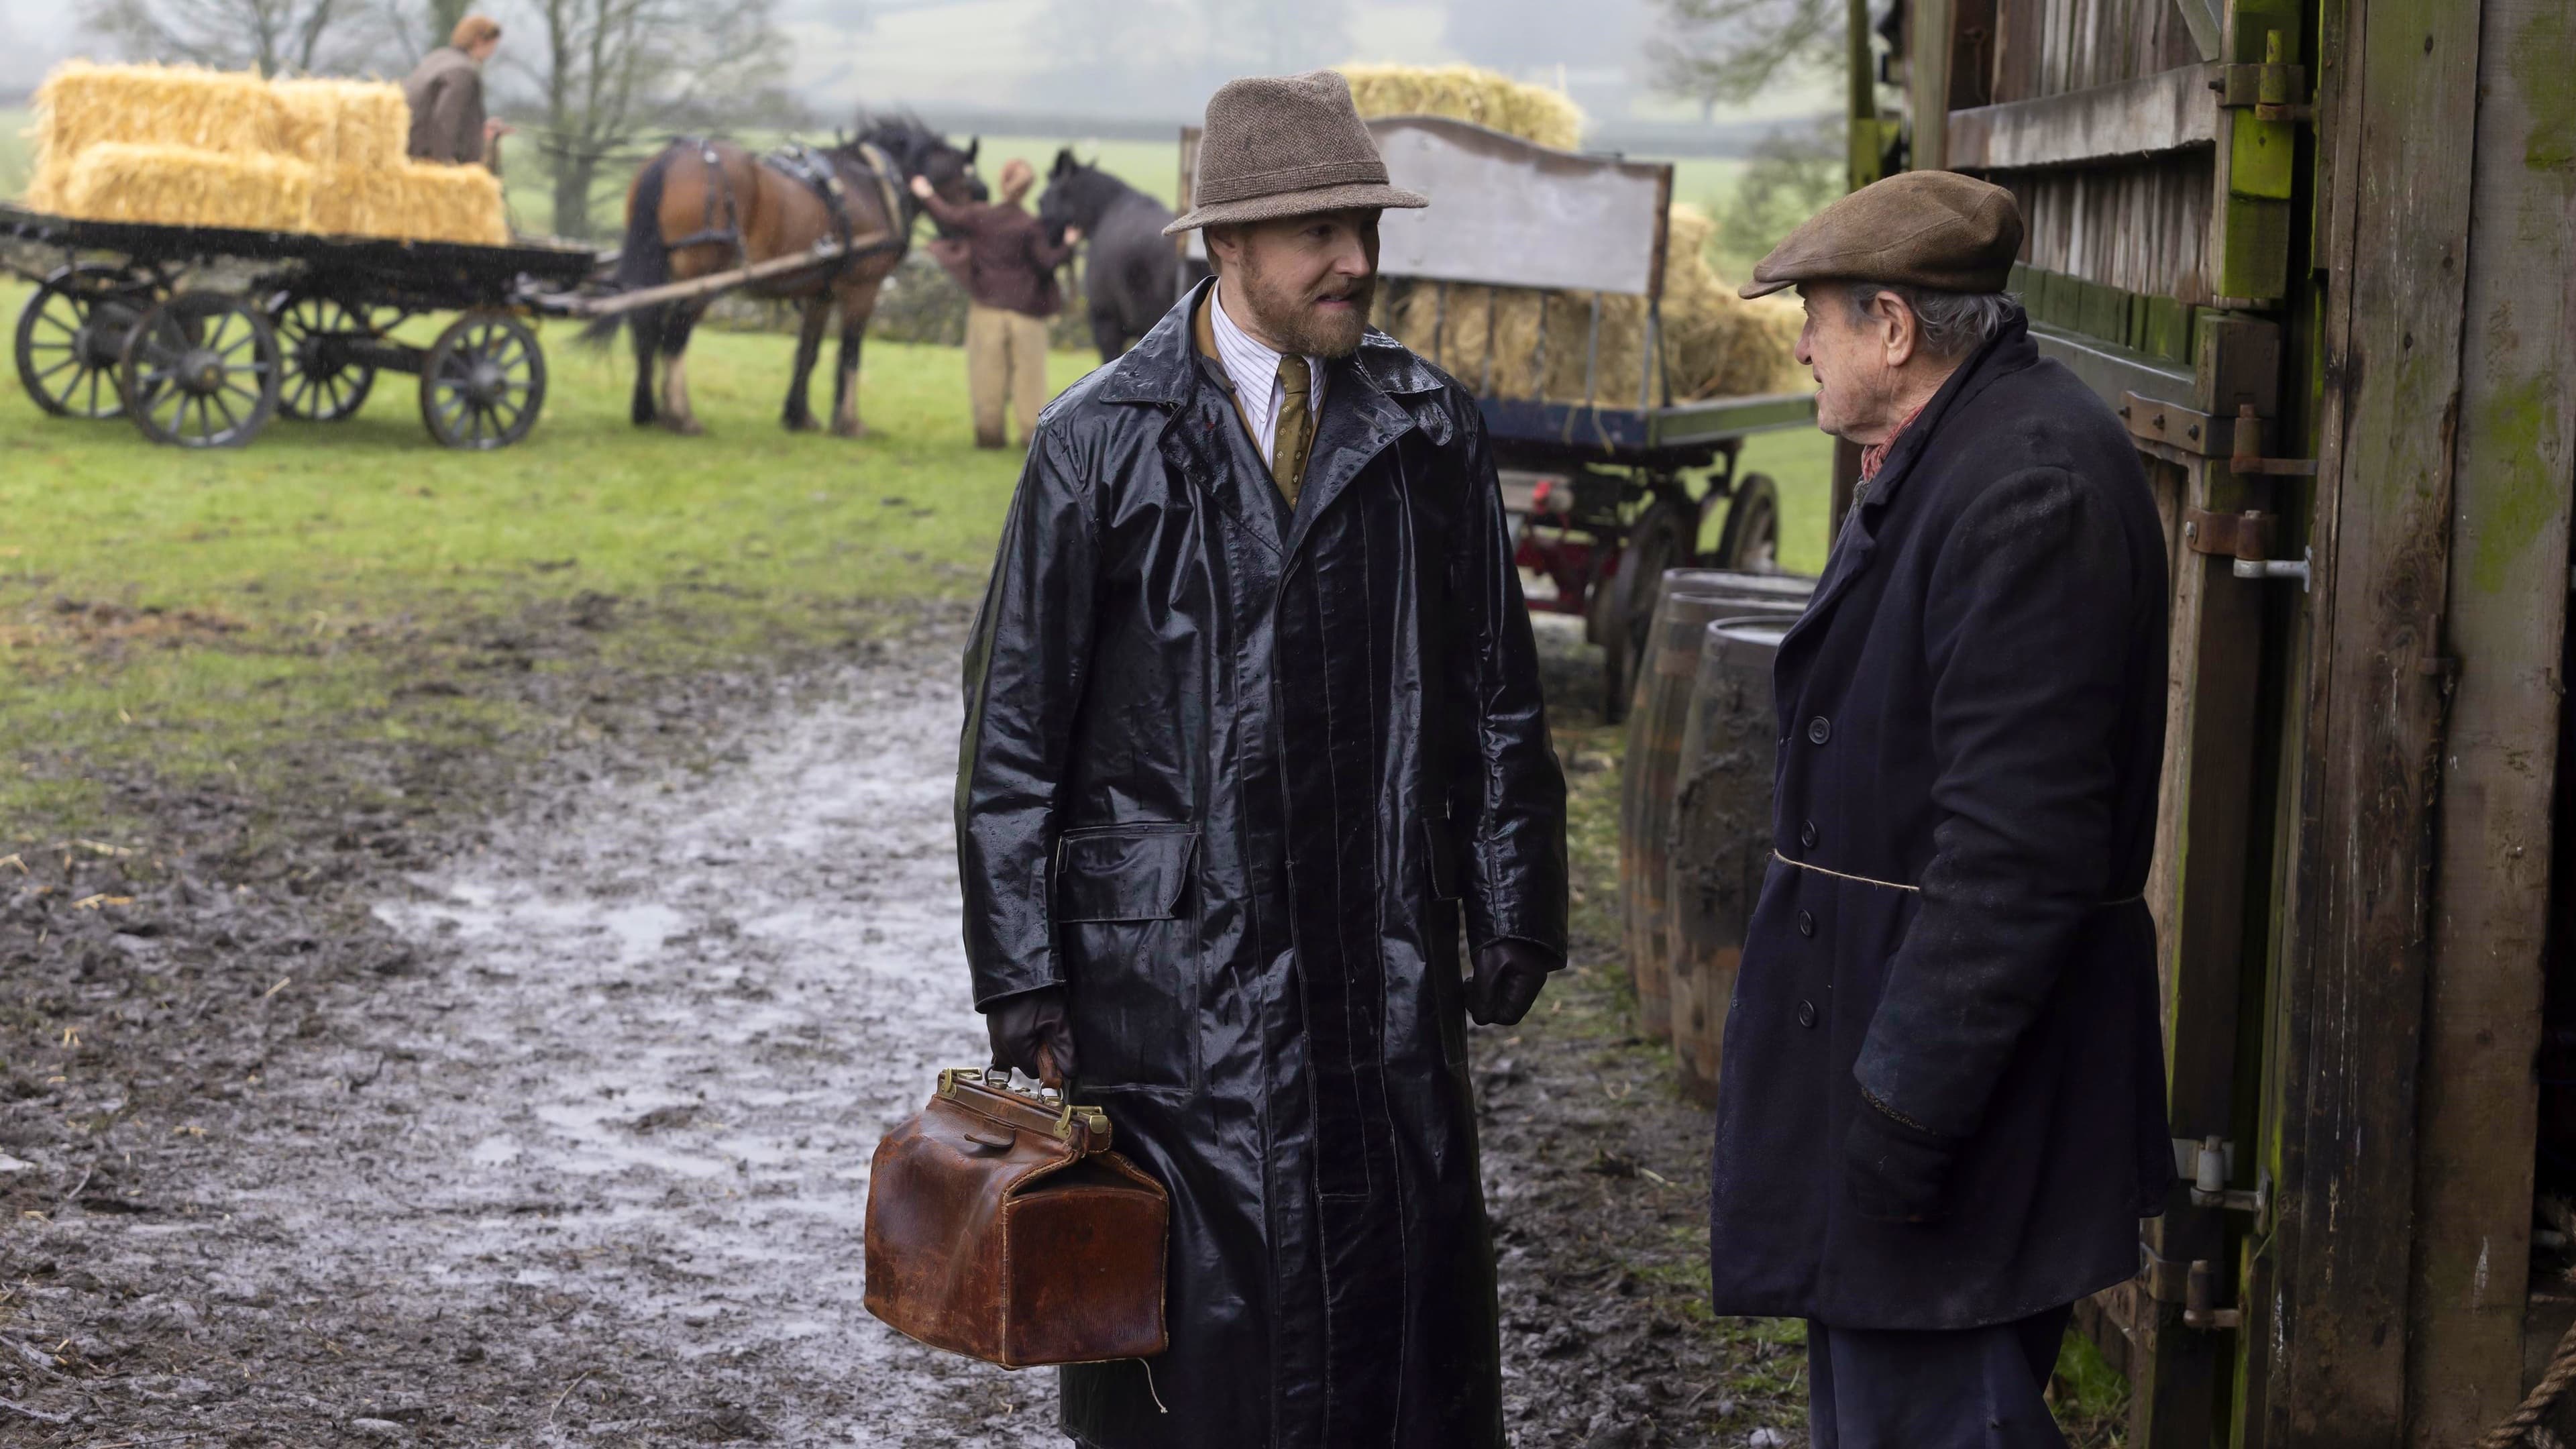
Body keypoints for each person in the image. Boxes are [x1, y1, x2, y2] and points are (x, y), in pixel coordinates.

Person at [954, 70, 1568, 1449]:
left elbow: (1496, 685)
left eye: (1366, 226)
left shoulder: (1427, 426)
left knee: (1397, 1323)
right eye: (1318, 233)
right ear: (1226, 242)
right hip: (1170, 985)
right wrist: (1024, 971)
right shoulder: (1095, 440)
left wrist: (1516, 893)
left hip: (1381, 952)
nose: (1356, 260)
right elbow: (1013, 734)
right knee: (1196, 1340)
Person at [1702, 169, 2175, 1446]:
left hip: (1960, 1100)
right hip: (1905, 1069)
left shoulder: (2029, 489)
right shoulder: (1952, 452)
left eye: (1815, 316)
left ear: (1895, 328)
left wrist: (1903, 1111)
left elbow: (2016, 857)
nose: (1802, 345)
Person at [910, 159, 1077, 449]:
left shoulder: (980, 216)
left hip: (986, 309)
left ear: (1002, 182)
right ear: (1027, 189)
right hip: (1026, 314)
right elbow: (1047, 262)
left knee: (987, 375)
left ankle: (989, 435)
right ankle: (1030, 436)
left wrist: (926, 193)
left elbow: (947, 216)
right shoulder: (1030, 225)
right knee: (1030, 378)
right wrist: (1070, 243)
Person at [402, 15, 510, 168]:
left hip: (409, 151)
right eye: (493, 45)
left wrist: (479, 128)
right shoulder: (462, 71)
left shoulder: (437, 58)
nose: (493, 52)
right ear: (479, 40)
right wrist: (446, 167)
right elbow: (445, 120)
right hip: (427, 160)